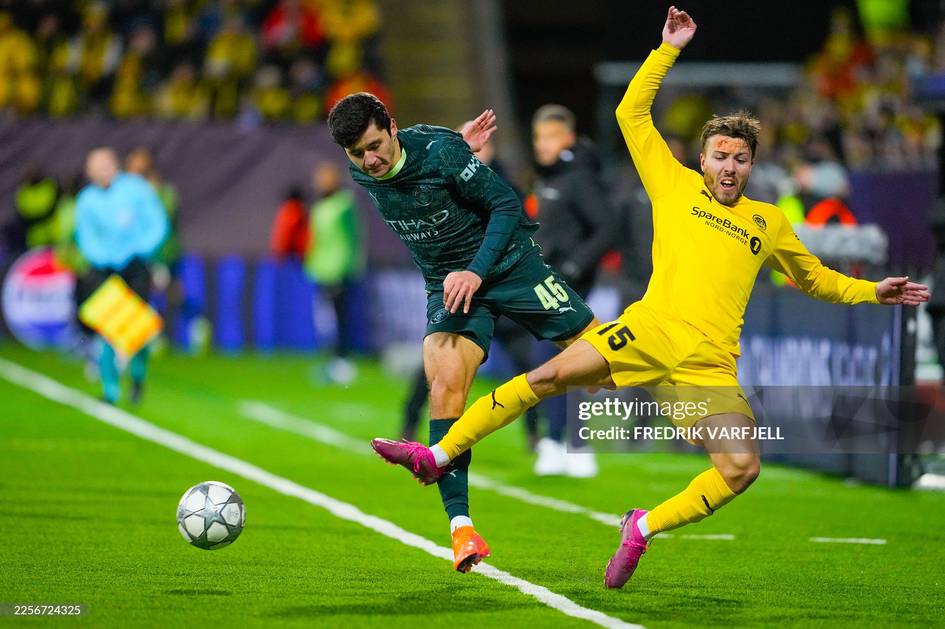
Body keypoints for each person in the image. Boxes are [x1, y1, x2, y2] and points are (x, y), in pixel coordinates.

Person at [371, 6, 929, 585]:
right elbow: (630, 112)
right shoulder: (673, 182)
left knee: (741, 468)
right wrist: (667, 50)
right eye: (720, 156)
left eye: (740, 159)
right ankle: (437, 455)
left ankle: (642, 527)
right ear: (703, 159)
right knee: (549, 376)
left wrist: (873, 291)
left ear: (751, 165)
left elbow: (815, 279)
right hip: (649, 331)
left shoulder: (770, 222)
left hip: (709, 364)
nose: (729, 167)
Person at [328, 94, 599, 573]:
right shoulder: (364, 169)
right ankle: (462, 530)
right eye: (357, 154)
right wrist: (457, 142)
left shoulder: (440, 153)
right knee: (445, 389)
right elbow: (419, 155)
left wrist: (455, 153)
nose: (369, 161)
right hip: (447, 284)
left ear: (391, 127)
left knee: (606, 366)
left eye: (374, 146)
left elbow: (506, 204)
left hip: (510, 266)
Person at [529, 104, 616, 477]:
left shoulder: (578, 178)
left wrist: (575, 265)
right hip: (548, 285)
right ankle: (558, 443)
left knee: (564, 367)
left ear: (568, 138)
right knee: (554, 366)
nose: (542, 144)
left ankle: (574, 446)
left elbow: (607, 227)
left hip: (569, 288)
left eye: (550, 137)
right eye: (538, 137)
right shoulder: (551, 178)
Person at [75, 147, 168, 404]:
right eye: (97, 168)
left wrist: (140, 249)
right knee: (108, 326)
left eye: (106, 165)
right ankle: (110, 390)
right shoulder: (87, 200)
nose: (102, 172)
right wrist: (103, 257)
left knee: (137, 327)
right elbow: (85, 236)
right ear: (90, 172)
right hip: (105, 268)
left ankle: (138, 378)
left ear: (115, 165)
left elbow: (157, 223)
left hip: (135, 265)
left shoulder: (136, 189)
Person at [304, 162, 364, 384]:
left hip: (339, 271)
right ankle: (333, 361)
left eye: (325, 177)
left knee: (341, 318)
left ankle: (343, 362)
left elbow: (353, 238)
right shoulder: (319, 207)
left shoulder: (344, 204)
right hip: (321, 271)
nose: (320, 182)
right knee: (326, 321)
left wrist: (348, 267)